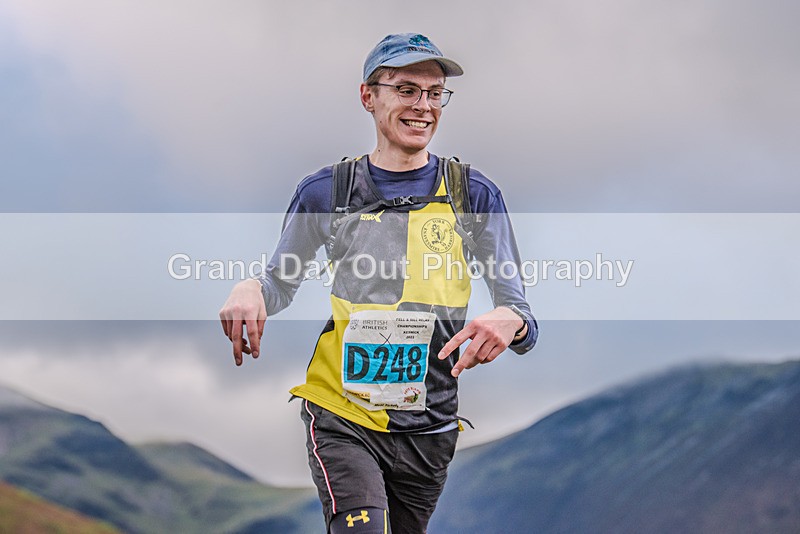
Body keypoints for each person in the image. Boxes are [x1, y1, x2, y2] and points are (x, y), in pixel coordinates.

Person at [219, 33, 538, 534]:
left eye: (435, 94)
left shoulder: (471, 194)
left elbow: (521, 314)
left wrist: (511, 319)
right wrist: (249, 288)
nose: (424, 106)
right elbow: (278, 283)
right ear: (369, 96)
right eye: (407, 90)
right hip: (342, 414)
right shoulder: (328, 190)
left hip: (429, 427)